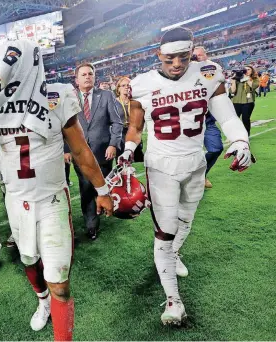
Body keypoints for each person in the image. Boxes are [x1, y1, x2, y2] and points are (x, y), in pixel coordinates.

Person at [0, 40, 113, 341]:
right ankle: (42, 301)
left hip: (52, 199)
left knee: (60, 281)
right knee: (29, 260)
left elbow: (81, 151)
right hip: (17, 201)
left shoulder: (57, 96)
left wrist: (102, 188)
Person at [119, 27, 254, 325]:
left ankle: (173, 255)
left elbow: (227, 115)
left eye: (183, 57)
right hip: (161, 166)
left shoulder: (207, 73)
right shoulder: (143, 84)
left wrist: (241, 140)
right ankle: (173, 301)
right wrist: (129, 150)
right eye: (170, 59)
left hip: (195, 163)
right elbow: (136, 126)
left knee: (186, 220)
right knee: (165, 231)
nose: (177, 64)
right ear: (158, 56)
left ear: (192, 51)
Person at [72, 63, 123, 240]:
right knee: (86, 187)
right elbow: (62, 126)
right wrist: (66, 150)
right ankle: (91, 223)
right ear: (76, 79)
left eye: (90, 74)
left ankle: (102, 206)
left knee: (103, 185)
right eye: (84, 74)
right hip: (79, 154)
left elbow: (117, 122)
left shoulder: (106, 95)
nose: (87, 77)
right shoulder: (69, 98)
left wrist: (113, 144)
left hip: (103, 152)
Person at [192, 46, 224, 189]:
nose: (197, 58)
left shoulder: (213, 69)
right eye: (194, 56)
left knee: (216, 148)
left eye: (199, 55)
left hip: (208, 120)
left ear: (206, 55)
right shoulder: (185, 72)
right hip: (189, 122)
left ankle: (202, 174)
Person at [115, 76, 144, 162]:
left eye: (129, 85)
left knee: (138, 160)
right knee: (122, 162)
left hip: (134, 132)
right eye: (123, 85)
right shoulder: (113, 102)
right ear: (118, 89)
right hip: (120, 135)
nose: (126, 87)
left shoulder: (137, 102)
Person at [230, 65, 260, 135]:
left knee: (245, 119)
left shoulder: (254, 79)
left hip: (248, 102)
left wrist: (246, 78)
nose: (246, 71)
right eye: (245, 69)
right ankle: (236, 133)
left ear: (252, 70)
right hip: (236, 102)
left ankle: (246, 134)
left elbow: (253, 86)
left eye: (248, 69)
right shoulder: (238, 79)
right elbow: (232, 91)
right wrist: (234, 80)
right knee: (235, 119)